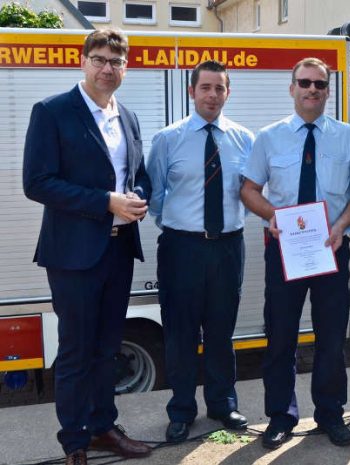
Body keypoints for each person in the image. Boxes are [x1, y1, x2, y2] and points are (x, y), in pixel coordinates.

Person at [22, 29, 152, 465]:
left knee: (107, 347)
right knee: (77, 349)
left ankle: (103, 428)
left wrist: (137, 198)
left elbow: (139, 173)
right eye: (99, 59)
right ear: (83, 61)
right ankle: (74, 441)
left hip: (118, 251)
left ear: (125, 67)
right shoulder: (53, 112)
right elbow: (36, 182)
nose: (107, 69)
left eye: (115, 62)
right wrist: (105, 202)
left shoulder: (128, 117)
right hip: (74, 255)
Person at [241, 57, 350, 449]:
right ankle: (281, 417)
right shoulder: (269, 137)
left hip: (332, 249)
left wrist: (340, 225)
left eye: (319, 84)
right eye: (305, 82)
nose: (312, 89)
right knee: (280, 336)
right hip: (284, 250)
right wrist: (274, 215)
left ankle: (330, 413)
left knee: (332, 337)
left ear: (328, 91)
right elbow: (248, 189)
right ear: (292, 88)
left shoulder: (349, 137)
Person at [146, 60, 254, 443]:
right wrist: (179, 228)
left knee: (222, 331)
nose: (212, 95)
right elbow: (154, 195)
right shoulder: (168, 139)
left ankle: (223, 405)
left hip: (228, 248)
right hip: (182, 248)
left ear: (228, 92)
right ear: (192, 92)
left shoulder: (244, 138)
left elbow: (252, 190)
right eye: (205, 87)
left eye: (219, 88)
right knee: (180, 333)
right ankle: (181, 410)